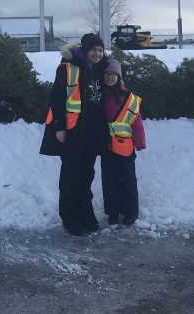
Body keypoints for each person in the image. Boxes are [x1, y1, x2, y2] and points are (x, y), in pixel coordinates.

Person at [40, 33, 110, 236]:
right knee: (71, 175)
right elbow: (56, 98)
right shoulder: (67, 67)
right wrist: (59, 127)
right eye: (94, 50)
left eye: (100, 50)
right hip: (72, 131)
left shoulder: (102, 69)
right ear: (85, 50)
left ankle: (86, 214)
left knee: (87, 174)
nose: (97, 53)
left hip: (93, 132)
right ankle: (70, 217)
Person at [100, 59, 146, 227]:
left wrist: (140, 142)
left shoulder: (130, 98)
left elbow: (137, 122)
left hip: (126, 147)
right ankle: (112, 213)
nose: (109, 77)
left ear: (119, 77)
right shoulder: (100, 95)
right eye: (107, 74)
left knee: (128, 181)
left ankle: (131, 213)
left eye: (113, 74)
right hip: (106, 146)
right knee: (109, 181)